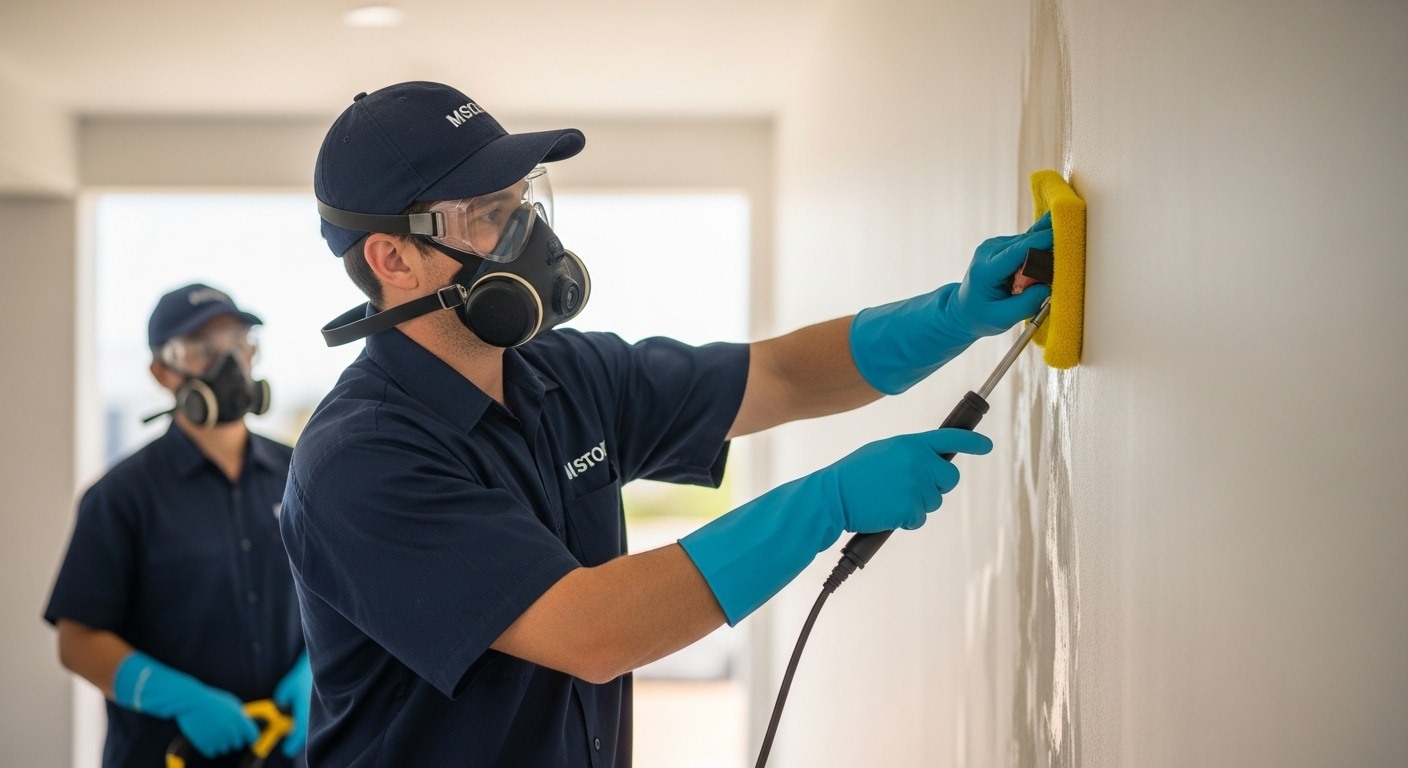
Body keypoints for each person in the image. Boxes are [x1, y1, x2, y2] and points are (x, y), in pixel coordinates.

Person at [283, 81, 1053, 766]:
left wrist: (954, 315)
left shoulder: (567, 374)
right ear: (392, 258)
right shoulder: (359, 462)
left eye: (521, 202)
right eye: (488, 216)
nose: (526, 238)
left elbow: (777, 377)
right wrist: (827, 503)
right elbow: (591, 631)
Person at [44, 284, 311, 767]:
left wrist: (314, 669)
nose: (228, 363)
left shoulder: (304, 472)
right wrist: (180, 698)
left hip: (288, 749)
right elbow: (77, 641)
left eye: (237, 343)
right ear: (162, 371)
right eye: (202, 350)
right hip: (166, 753)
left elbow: (341, 592)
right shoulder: (120, 497)